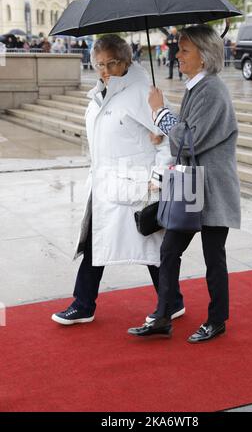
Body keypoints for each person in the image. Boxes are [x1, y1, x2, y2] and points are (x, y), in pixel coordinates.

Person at [51, 34, 184, 326]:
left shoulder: (141, 92)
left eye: (111, 63)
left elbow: (169, 141)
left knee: (149, 247)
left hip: (134, 185)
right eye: (99, 64)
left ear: (126, 60)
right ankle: (84, 303)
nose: (105, 70)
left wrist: (158, 177)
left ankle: (171, 300)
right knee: (96, 242)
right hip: (105, 184)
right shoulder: (100, 92)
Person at [128, 24, 241, 343]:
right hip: (193, 185)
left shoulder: (213, 90)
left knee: (213, 256)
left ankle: (217, 319)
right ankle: (164, 314)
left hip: (213, 188)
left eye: (184, 50)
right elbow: (186, 134)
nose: (177, 55)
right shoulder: (197, 87)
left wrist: (160, 113)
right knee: (169, 249)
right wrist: (166, 126)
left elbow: (189, 140)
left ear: (204, 57)